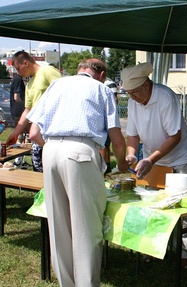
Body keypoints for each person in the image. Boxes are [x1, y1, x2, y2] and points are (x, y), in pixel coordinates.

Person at [27, 58, 129, 286]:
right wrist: (123, 166)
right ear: (101, 74)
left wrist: (56, 149)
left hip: (50, 149)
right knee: (86, 227)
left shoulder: (57, 85)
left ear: (79, 70)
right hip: (81, 150)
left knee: (59, 225)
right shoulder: (101, 89)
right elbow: (116, 139)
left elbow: (33, 132)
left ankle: (67, 283)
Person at [120, 62, 187, 266]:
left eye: (135, 92)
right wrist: (132, 155)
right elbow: (133, 135)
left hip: (178, 157)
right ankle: (153, 247)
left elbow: (175, 135)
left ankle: (185, 254)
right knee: (153, 204)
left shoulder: (165, 97)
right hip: (150, 160)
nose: (133, 97)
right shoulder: (134, 100)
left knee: (184, 206)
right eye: (129, 94)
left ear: (146, 85)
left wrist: (151, 159)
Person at [6, 51, 61, 172]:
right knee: (39, 169)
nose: (18, 72)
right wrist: (15, 133)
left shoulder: (47, 71)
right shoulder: (29, 84)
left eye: (18, 68)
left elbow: (63, 92)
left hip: (53, 129)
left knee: (54, 170)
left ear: (25, 63)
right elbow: (27, 110)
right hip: (38, 134)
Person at [100, 78, 119, 175]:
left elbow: (115, 99)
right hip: (103, 116)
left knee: (103, 145)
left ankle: (105, 168)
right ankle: (106, 167)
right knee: (104, 145)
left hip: (105, 117)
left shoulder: (109, 83)